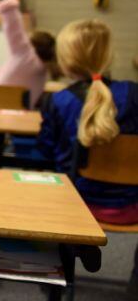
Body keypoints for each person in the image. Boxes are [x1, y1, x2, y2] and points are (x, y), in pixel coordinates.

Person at [38, 19, 138, 220]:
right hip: (132, 206)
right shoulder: (134, 93)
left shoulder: (57, 101)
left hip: (76, 203)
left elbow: (46, 151)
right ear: (108, 56)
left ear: (65, 60)